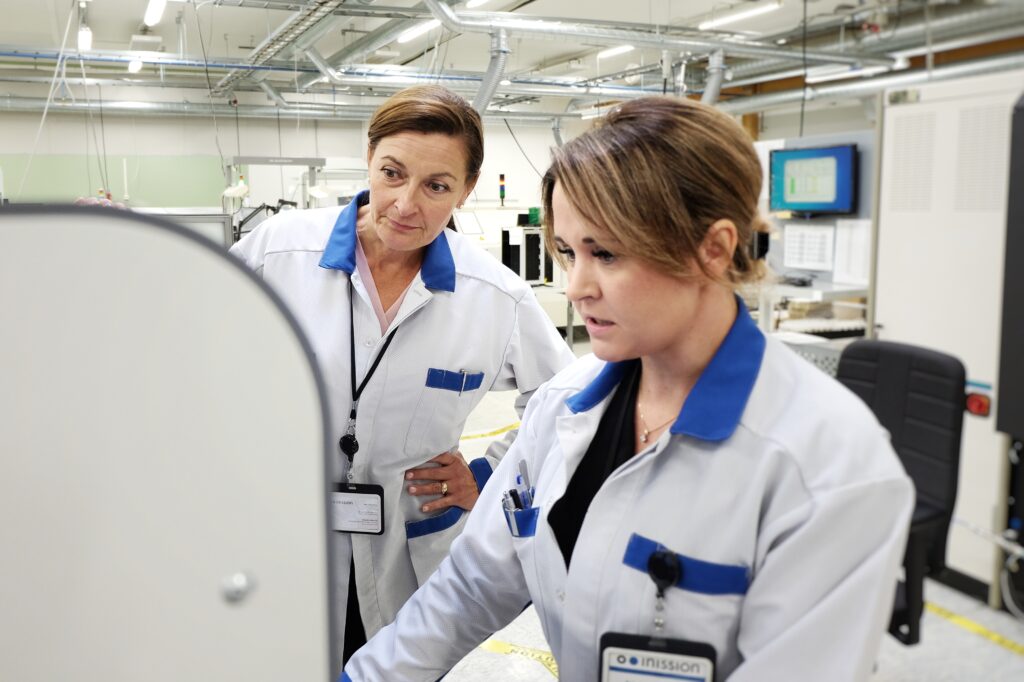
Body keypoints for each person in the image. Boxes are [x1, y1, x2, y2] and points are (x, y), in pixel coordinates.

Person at [342, 97, 914, 681]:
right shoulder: (565, 406)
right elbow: (467, 591)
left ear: (712, 250)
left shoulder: (829, 467)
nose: (576, 287)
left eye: (606, 254)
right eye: (567, 252)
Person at [229, 85, 575, 674]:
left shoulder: (493, 295)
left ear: (465, 190)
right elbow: (184, 349)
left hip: (409, 556)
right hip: (278, 537)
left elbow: (568, 403)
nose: (405, 204)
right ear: (370, 158)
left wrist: (489, 475)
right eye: (392, 173)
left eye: (436, 186)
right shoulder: (275, 254)